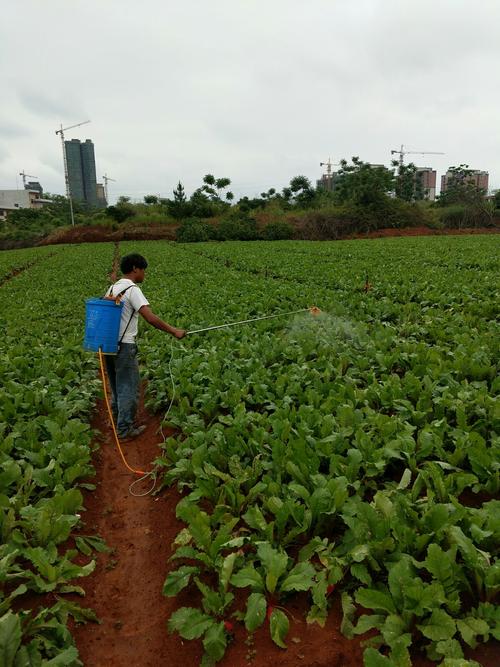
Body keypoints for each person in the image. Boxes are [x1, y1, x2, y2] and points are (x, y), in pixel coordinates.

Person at [104, 253, 186, 441]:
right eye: (143, 270)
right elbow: (149, 317)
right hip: (124, 347)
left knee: (116, 386)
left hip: (108, 344)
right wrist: (174, 331)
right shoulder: (132, 289)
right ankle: (124, 430)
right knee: (129, 388)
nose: (144, 274)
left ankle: (117, 419)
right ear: (135, 269)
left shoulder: (112, 288)